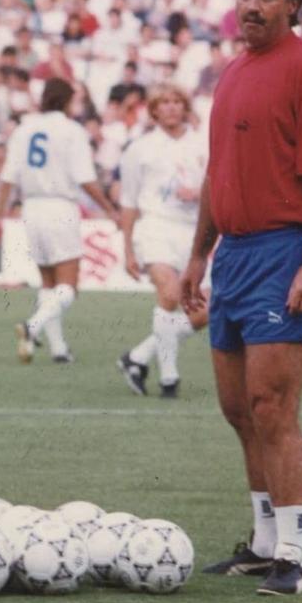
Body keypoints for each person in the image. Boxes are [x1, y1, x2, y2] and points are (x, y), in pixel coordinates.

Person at [180, 0, 302, 596]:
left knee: (271, 405)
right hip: (233, 256)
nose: (252, 5)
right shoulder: (232, 71)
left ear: (293, 3)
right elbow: (215, 175)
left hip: (284, 252)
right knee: (237, 409)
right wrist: (198, 254)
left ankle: (295, 555)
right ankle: (262, 541)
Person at [0, 77, 118, 363]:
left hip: (31, 208)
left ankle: (59, 349)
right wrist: (110, 209)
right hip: (60, 207)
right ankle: (31, 327)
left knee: (48, 283)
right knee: (68, 287)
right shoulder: (73, 131)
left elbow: (7, 178)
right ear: (66, 100)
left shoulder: (24, 129)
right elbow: (85, 178)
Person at [116, 84, 209, 398]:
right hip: (155, 227)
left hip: (194, 232)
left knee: (207, 309)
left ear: (185, 107)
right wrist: (127, 247)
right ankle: (169, 378)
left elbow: (218, 188)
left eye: (176, 102)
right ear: (153, 110)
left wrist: (199, 194)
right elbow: (129, 201)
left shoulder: (203, 144)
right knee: (169, 294)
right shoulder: (139, 149)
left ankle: (138, 357)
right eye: (164, 103)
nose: (170, 107)